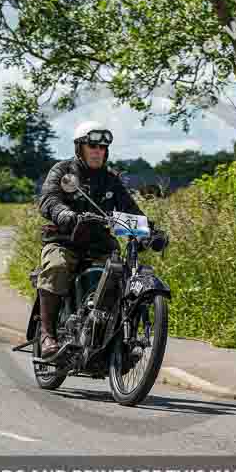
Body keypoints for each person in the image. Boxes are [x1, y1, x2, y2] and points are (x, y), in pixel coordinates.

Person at [36, 121, 152, 360]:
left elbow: (130, 211)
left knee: (121, 279)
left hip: (100, 245)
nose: (98, 151)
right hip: (64, 240)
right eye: (93, 146)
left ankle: (116, 343)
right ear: (80, 147)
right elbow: (48, 200)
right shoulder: (63, 171)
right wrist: (64, 214)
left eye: (102, 147)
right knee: (56, 266)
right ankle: (48, 335)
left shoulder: (111, 179)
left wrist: (150, 231)